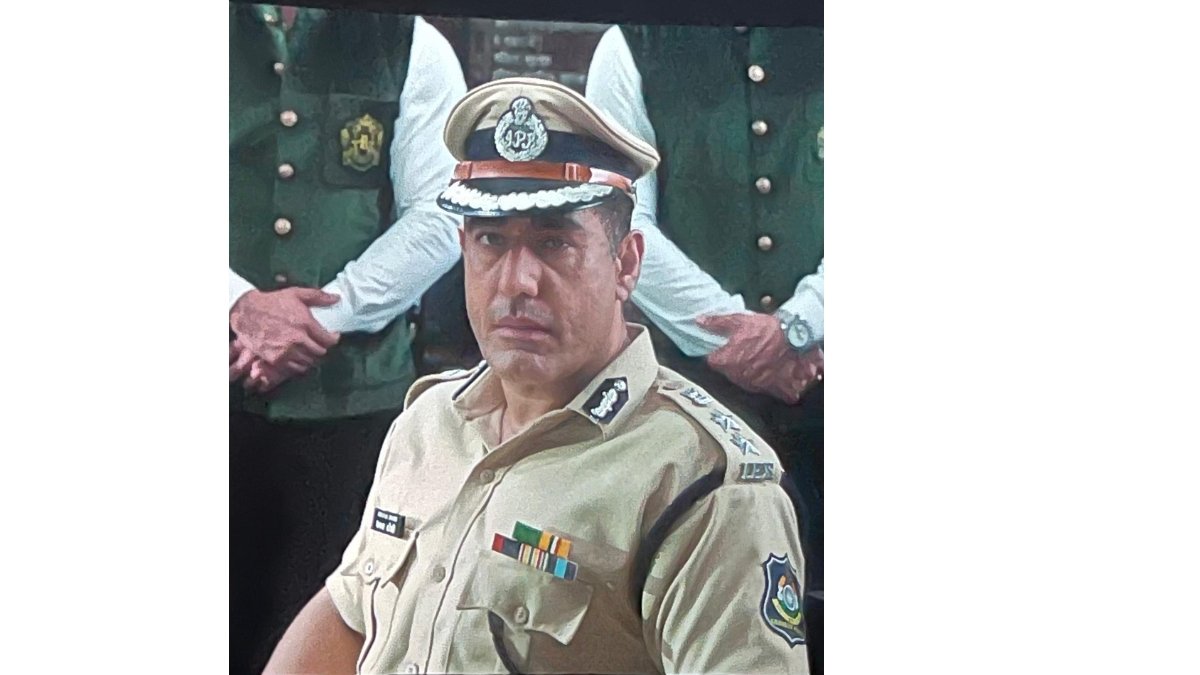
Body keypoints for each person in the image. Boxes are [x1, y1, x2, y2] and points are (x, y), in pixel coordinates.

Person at [265, 77, 811, 674]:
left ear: (626, 263)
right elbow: (352, 613)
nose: (516, 281)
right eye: (491, 241)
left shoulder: (703, 482)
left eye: (554, 243)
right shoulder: (428, 422)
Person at [227, 6, 466, 674]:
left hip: (354, 407)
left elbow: (442, 211)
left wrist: (326, 317)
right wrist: (235, 304)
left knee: (334, 634)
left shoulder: (412, 42)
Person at [585, 23, 826, 672]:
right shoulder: (632, 42)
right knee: (706, 608)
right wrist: (737, 337)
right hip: (692, 397)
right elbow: (622, 216)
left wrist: (804, 323)